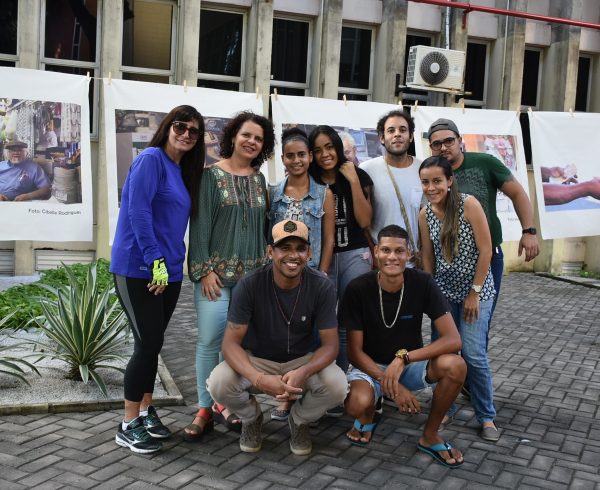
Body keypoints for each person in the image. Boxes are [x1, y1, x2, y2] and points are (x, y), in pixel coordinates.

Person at [206, 220, 347, 455]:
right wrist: (259, 379)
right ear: (270, 252)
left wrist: (303, 372)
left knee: (337, 386)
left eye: (300, 248)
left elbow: (331, 345)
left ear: (309, 253)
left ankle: (299, 420)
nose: (293, 255)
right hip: (258, 360)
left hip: (302, 360)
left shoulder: (321, 286)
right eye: (285, 247)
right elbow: (230, 344)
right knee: (218, 383)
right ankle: (251, 418)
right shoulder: (249, 284)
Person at [111, 105, 205, 454]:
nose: (186, 133)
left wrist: (171, 267)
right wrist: (157, 264)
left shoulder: (182, 171)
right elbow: (137, 211)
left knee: (151, 344)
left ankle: (147, 411)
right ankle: (127, 424)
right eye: (181, 126)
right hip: (140, 268)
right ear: (168, 127)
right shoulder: (150, 159)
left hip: (170, 271)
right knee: (148, 343)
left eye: (194, 131)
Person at [340, 225, 467, 468]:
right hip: (371, 367)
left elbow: (453, 339)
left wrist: (404, 359)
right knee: (357, 403)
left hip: (410, 365)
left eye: (399, 251)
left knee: (456, 365)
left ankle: (430, 436)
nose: (392, 257)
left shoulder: (422, 282)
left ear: (409, 253)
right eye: (386, 250)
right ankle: (369, 412)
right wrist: (393, 386)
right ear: (376, 252)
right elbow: (354, 352)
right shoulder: (358, 288)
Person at [186, 111, 275, 440]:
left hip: (250, 280)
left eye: (259, 138)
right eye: (246, 135)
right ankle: (203, 409)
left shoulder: (260, 180)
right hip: (215, 276)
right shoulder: (209, 176)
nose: (252, 142)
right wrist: (204, 270)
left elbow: (263, 229)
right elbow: (199, 227)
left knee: (235, 345)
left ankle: (225, 402)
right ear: (233, 137)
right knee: (210, 340)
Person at [418, 156, 499, 442]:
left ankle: (486, 416)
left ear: (450, 181)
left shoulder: (469, 205)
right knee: (443, 353)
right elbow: (427, 257)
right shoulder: (425, 214)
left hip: (477, 291)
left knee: (474, 355)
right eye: (425, 182)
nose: (431, 187)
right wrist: (430, 294)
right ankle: (446, 407)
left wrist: (474, 294)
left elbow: (486, 251)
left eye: (437, 181)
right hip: (443, 293)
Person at [427, 118, 539, 321]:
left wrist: (529, 231)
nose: (443, 147)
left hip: (486, 257)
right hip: (446, 263)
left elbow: (518, 193)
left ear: (459, 140)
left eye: (449, 141)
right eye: (437, 144)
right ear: (431, 147)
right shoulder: (430, 174)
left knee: (476, 326)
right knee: (447, 330)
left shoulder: (484, 163)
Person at [268, 127, 335, 422]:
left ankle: (312, 393)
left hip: (311, 278)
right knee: (285, 337)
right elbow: (267, 236)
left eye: (302, 155)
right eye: (290, 155)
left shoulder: (324, 194)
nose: (296, 160)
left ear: (310, 157)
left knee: (313, 339)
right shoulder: (274, 194)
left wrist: (321, 274)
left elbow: (330, 239)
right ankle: (283, 399)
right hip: (279, 278)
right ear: (283, 158)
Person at [308, 125, 373, 414]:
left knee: (348, 324)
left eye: (329, 147)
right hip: (321, 258)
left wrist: (353, 181)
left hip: (354, 255)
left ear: (337, 147)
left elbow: (365, 220)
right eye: (318, 149)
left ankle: (345, 386)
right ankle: (321, 385)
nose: (324, 154)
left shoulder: (357, 176)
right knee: (320, 323)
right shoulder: (308, 180)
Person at [360, 110, 422, 264]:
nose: (397, 134)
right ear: (382, 138)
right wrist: (373, 254)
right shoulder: (367, 169)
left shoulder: (423, 169)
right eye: (391, 130)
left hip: (414, 260)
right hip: (381, 260)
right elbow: (362, 219)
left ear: (411, 136)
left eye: (403, 130)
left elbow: (427, 218)